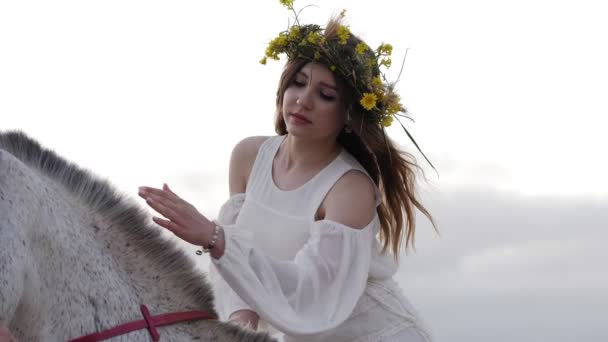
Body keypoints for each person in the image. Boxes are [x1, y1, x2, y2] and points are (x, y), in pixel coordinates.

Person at [138, 1, 435, 341]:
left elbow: (309, 294)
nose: (303, 100)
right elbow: (237, 267)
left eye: (325, 95)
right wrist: (242, 322)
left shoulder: (350, 189)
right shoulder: (248, 156)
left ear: (349, 115)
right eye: (298, 82)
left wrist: (215, 238)